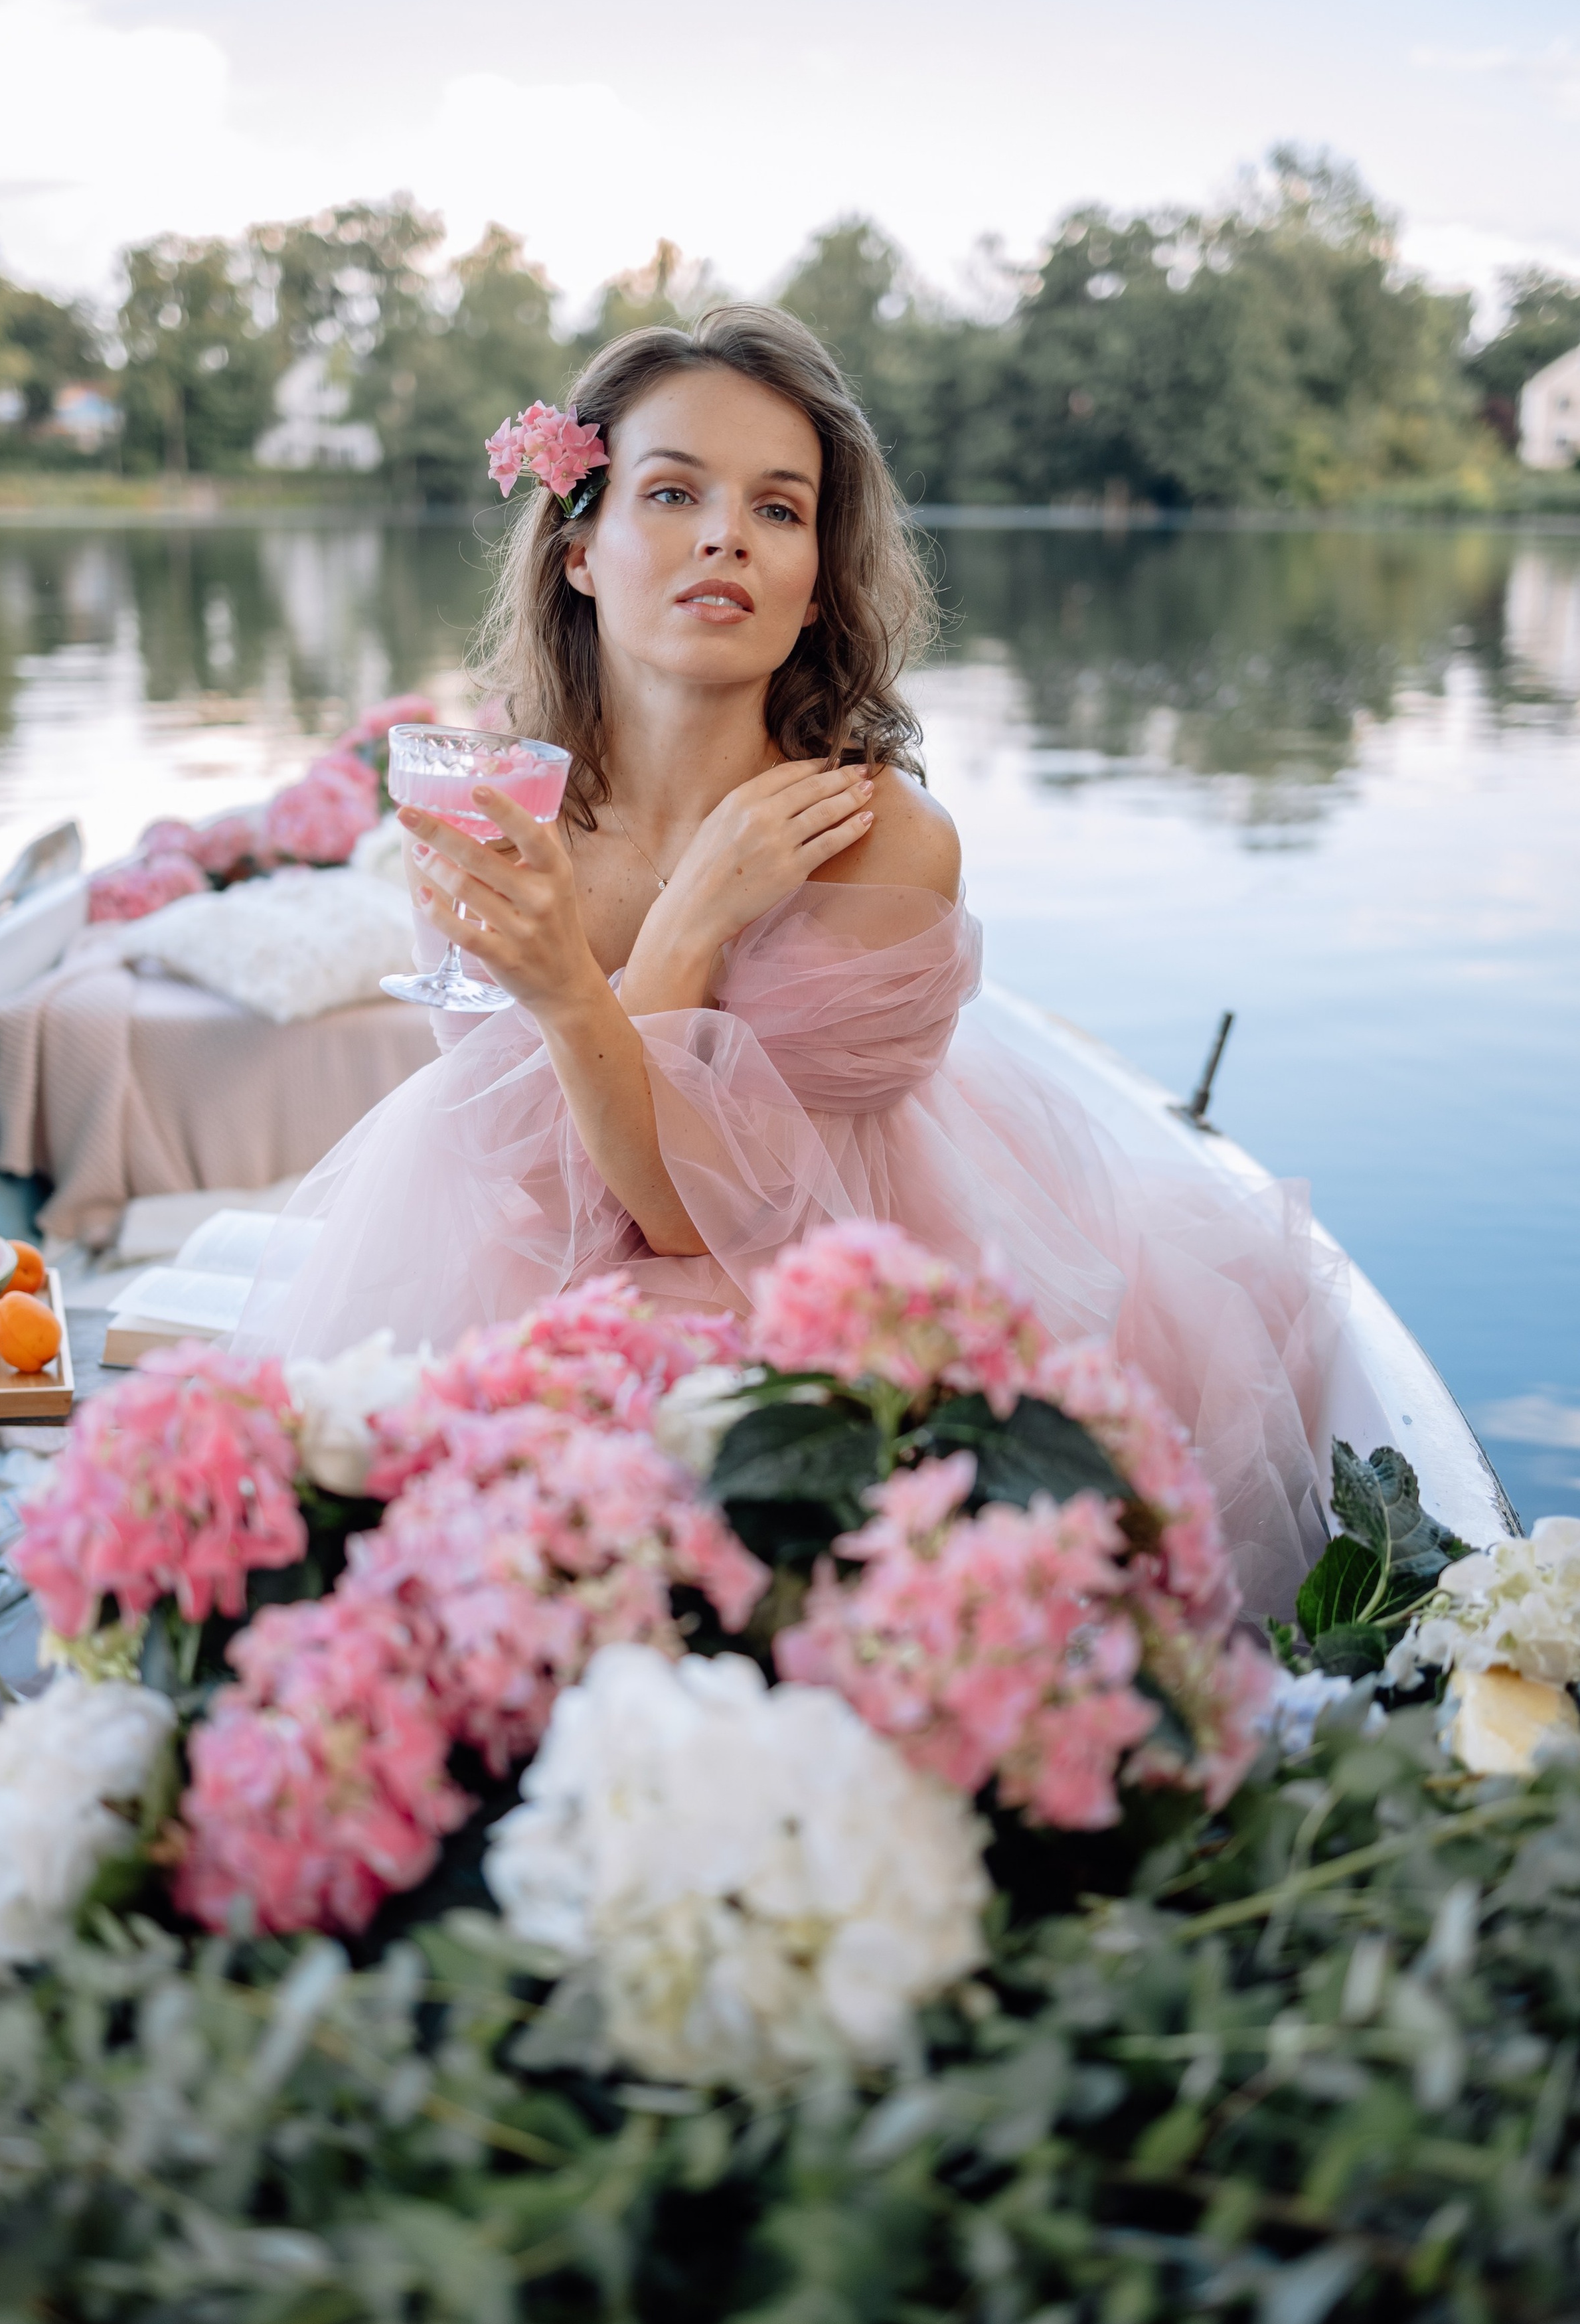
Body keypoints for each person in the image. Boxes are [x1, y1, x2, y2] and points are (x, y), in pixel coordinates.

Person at [236, 306, 1352, 1613]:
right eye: (669, 492)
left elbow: (690, 1224)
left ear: (814, 580)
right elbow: (548, 1186)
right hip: (529, 1251)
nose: (724, 535)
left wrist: (623, 960)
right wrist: (683, 923)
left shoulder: (883, 850)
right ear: (577, 549)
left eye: (777, 509)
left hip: (811, 1278)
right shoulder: (494, 820)